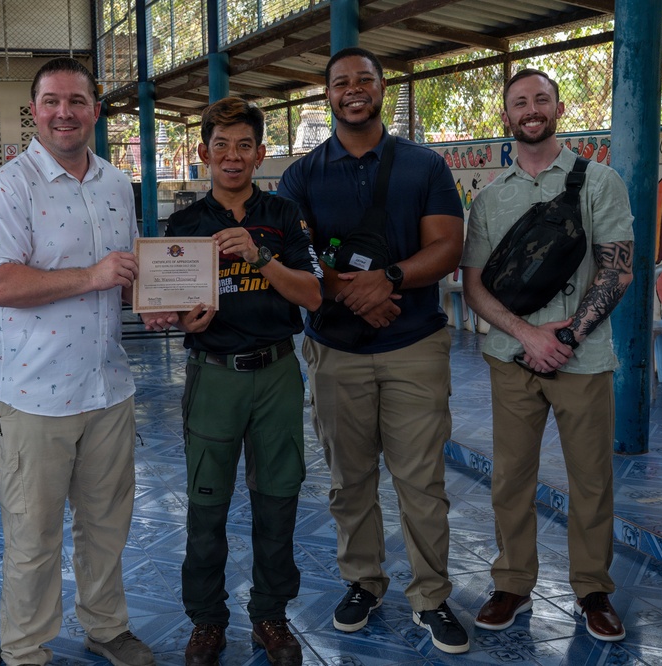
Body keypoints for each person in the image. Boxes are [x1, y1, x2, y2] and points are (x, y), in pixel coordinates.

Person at [277, 47, 469, 654]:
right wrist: (360, 296)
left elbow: (447, 248)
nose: (353, 90)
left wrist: (386, 281)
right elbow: (295, 256)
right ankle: (364, 580)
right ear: (326, 94)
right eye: (341, 83)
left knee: (421, 480)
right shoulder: (303, 175)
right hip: (335, 350)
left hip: (414, 344)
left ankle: (430, 595)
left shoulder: (423, 166)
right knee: (349, 479)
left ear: (383, 89)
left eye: (365, 80)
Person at [0, 58, 154, 666]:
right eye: (52, 101)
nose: (64, 112)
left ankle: (106, 626)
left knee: (106, 526)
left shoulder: (115, 184)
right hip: (34, 396)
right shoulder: (5, 188)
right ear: (34, 110)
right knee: (33, 537)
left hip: (107, 386)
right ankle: (25, 649)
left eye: (77, 100)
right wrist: (93, 276)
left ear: (96, 110)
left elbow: (125, 273)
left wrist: (153, 304)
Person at [141, 97, 321, 666]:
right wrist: (183, 321)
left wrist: (261, 254)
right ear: (203, 154)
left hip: (275, 374)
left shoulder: (284, 213)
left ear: (261, 152)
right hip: (214, 374)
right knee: (206, 504)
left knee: (278, 500)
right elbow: (173, 306)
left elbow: (314, 294)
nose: (232, 156)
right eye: (221, 145)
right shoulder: (187, 224)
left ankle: (270, 615)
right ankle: (207, 621)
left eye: (244, 145)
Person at [462, 68, 633, 642]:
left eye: (541, 99)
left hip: (582, 360)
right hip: (512, 358)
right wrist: (529, 336)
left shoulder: (599, 181)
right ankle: (512, 581)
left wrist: (566, 337)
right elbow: (475, 286)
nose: (531, 109)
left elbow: (617, 270)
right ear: (505, 117)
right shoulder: (490, 198)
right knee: (510, 477)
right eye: (519, 103)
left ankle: (592, 588)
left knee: (591, 480)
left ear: (559, 108)